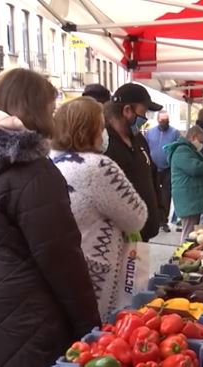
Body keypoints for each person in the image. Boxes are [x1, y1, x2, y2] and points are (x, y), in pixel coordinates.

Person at [0, 68, 100, 367]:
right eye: (51, 108)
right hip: (26, 309)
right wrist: (90, 327)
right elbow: (61, 259)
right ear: (35, 108)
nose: (53, 115)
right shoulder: (33, 171)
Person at [51, 97, 148, 319]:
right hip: (97, 272)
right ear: (90, 128)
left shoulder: (50, 160)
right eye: (101, 125)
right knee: (98, 334)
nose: (104, 132)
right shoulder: (98, 167)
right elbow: (137, 217)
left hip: (62, 268)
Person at [103, 83, 163, 242]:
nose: (146, 118)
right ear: (127, 110)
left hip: (144, 232)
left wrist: (159, 210)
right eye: (143, 112)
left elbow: (151, 174)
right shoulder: (104, 143)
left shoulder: (139, 139)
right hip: (120, 237)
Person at [165, 126, 203, 243]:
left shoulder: (189, 150)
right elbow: (194, 167)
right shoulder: (182, 151)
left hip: (192, 199)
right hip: (188, 200)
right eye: (201, 141)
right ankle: (183, 256)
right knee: (189, 232)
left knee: (193, 231)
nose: (201, 144)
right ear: (193, 137)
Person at [145, 110, 181, 233]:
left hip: (168, 168)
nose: (164, 122)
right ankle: (153, 219)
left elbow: (178, 149)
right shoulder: (149, 133)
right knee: (152, 193)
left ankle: (164, 221)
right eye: (162, 120)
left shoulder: (175, 133)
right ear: (158, 120)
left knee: (166, 195)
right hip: (153, 168)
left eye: (166, 120)